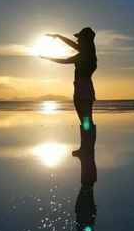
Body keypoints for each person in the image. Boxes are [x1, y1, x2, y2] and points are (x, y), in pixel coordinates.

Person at [40, 27, 97, 156]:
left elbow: (65, 60)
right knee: (87, 119)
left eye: (80, 39)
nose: (77, 42)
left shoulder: (84, 55)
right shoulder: (90, 54)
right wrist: (59, 36)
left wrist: (48, 58)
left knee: (85, 120)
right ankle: (87, 148)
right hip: (87, 87)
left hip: (81, 88)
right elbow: (72, 45)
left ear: (85, 41)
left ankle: (86, 149)